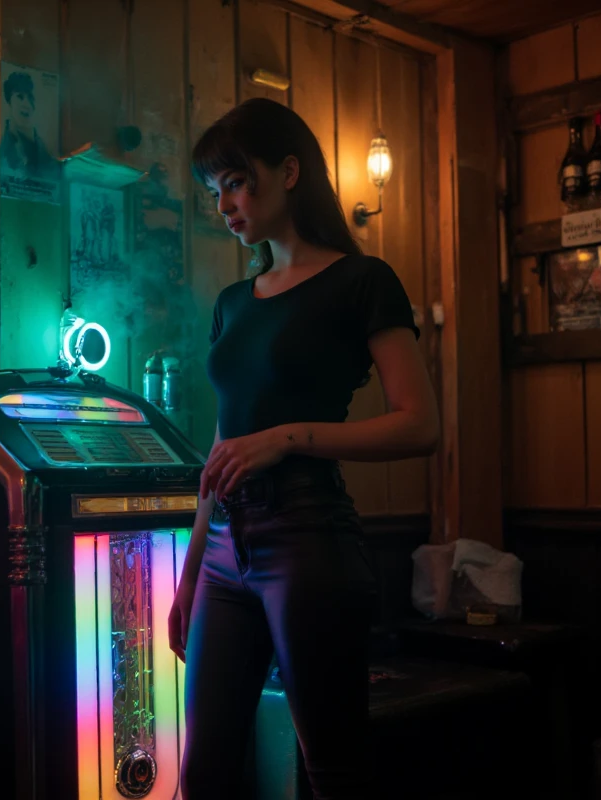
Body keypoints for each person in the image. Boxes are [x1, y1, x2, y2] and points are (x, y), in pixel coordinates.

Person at [171, 96, 440, 800]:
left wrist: (286, 440)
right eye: (214, 190)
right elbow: (225, 441)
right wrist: (193, 565)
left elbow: (420, 424)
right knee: (204, 771)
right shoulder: (232, 301)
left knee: (333, 769)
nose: (224, 203)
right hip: (226, 547)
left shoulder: (362, 282)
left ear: (288, 172)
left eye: (235, 181)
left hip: (308, 537)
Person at [0, 71, 59, 182]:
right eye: (20, 97)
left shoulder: (47, 156)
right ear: (9, 101)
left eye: (30, 98)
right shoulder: (0, 156)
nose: (26, 104)